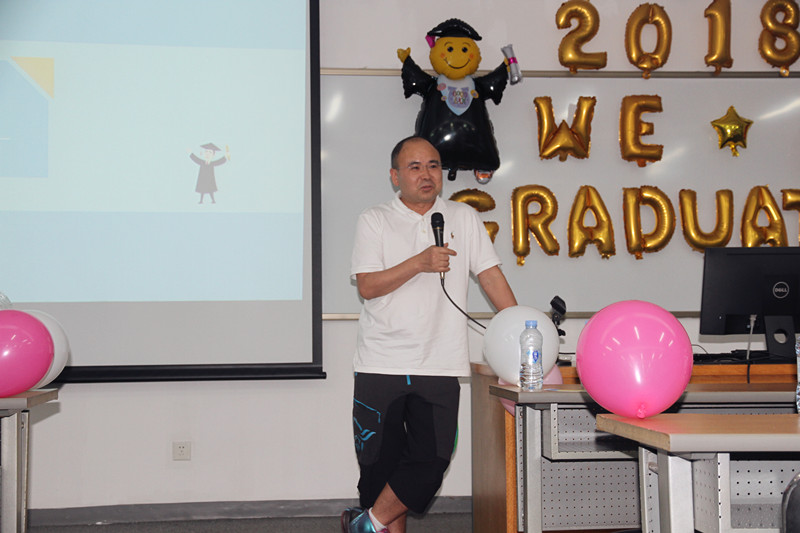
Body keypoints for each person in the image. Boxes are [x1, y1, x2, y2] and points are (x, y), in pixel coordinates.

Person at [342, 136, 517, 533]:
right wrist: (418, 263)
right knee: (380, 469)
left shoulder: (463, 217)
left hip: (440, 362)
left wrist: (520, 329)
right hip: (381, 363)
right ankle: (371, 522)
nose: (426, 174)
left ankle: (365, 524)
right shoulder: (374, 219)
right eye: (415, 167)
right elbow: (367, 286)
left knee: (431, 462)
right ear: (394, 176)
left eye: (434, 166)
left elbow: (490, 276)